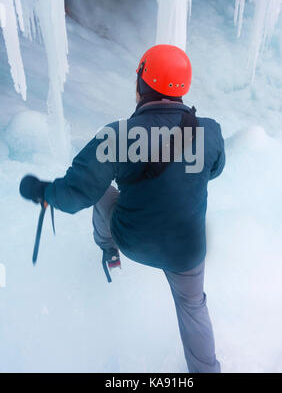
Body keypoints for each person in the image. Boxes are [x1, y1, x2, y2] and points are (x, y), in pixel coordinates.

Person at [20, 44, 225, 374]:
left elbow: (76, 194)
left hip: (134, 240)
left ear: (142, 84)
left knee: (102, 192)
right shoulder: (210, 131)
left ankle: (109, 251)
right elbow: (214, 170)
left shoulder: (117, 135)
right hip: (187, 250)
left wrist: (42, 190)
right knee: (192, 305)